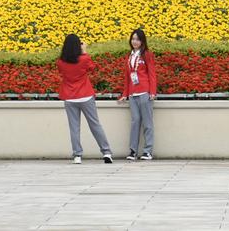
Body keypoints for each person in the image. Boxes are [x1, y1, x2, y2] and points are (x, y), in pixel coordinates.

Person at [56, 34, 113, 164]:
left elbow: (62, 72)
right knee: (95, 125)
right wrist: (85, 51)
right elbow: (92, 68)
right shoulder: (84, 58)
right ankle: (106, 152)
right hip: (86, 96)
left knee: (74, 128)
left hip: (70, 98)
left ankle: (77, 155)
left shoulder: (60, 62)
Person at [118, 29, 157, 161]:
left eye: (137, 39)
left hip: (145, 92)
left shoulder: (147, 54)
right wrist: (125, 94)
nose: (135, 41)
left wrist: (152, 92)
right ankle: (133, 150)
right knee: (135, 122)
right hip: (133, 94)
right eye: (133, 39)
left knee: (147, 123)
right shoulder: (129, 56)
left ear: (142, 41)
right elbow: (127, 77)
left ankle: (148, 151)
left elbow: (152, 74)